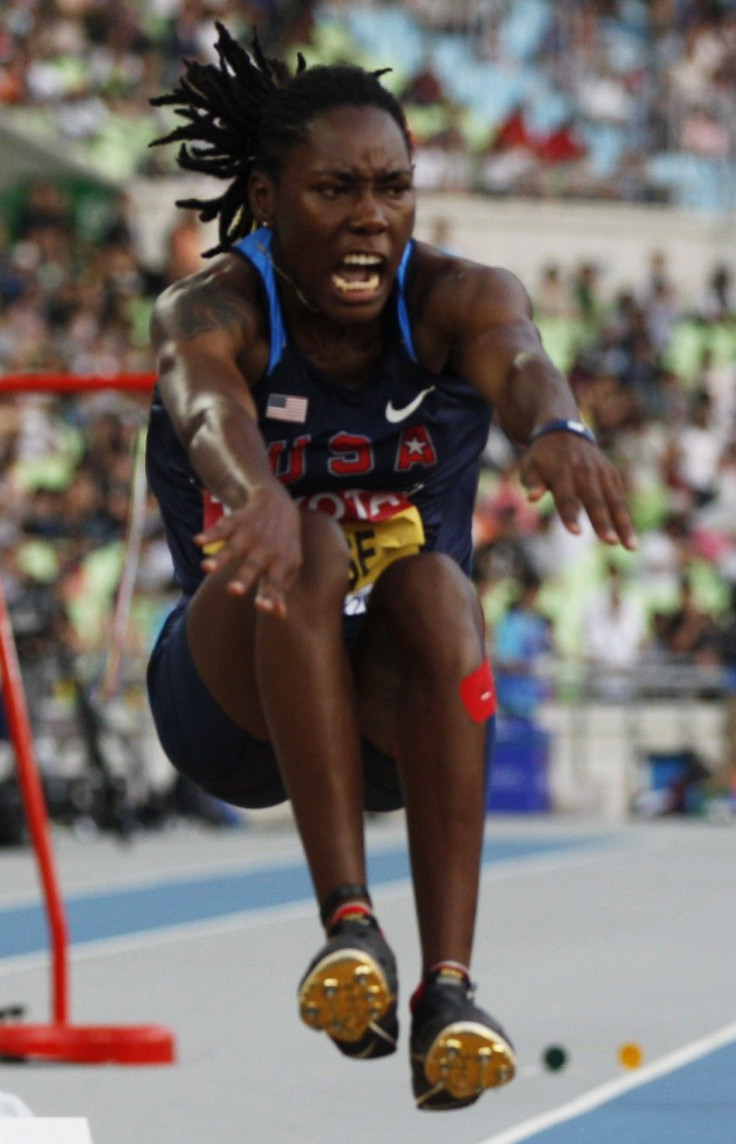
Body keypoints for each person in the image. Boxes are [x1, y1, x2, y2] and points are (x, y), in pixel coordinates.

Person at [144, 24, 637, 1112]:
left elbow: (519, 359)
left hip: (378, 718)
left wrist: (558, 426)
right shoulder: (215, 304)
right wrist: (254, 491)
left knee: (436, 582)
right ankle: (347, 929)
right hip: (227, 700)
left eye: (394, 188)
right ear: (268, 203)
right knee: (311, 542)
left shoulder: (455, 296)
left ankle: (447, 994)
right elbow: (205, 400)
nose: (372, 215)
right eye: (336, 190)